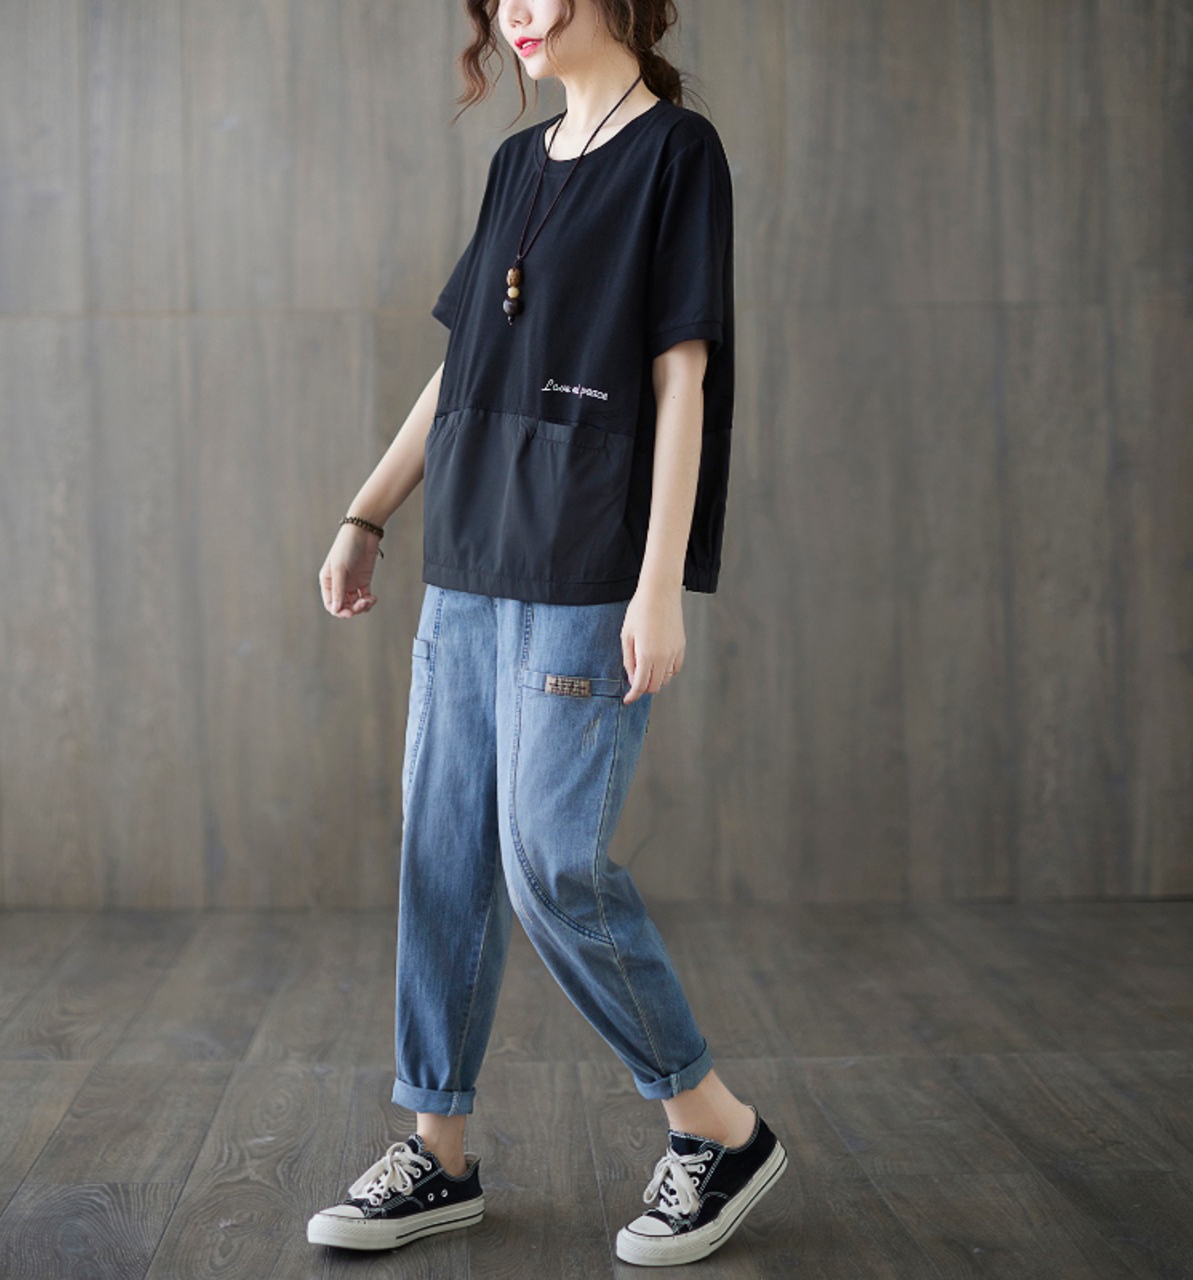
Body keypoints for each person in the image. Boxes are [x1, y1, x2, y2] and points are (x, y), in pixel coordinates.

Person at [309, 0, 787, 1266]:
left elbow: (683, 374)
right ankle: (437, 1149)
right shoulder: (516, 162)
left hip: (583, 566)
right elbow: (462, 365)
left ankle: (716, 1127)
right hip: (467, 561)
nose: (514, 11)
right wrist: (367, 510)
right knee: (442, 854)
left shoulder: (676, 151)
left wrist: (657, 580)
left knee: (547, 861)